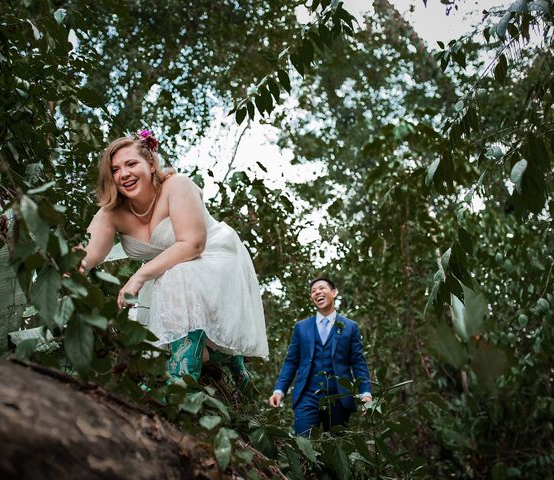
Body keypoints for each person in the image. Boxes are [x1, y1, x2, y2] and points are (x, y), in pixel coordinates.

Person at [81, 129, 268, 391]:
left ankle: (180, 382)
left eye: (131, 164)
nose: (123, 174)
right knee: (153, 330)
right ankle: (226, 358)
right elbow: (87, 254)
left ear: (151, 162)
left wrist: (139, 276)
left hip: (212, 254)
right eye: (115, 169)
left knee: (178, 276)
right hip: (166, 272)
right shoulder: (111, 213)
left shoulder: (176, 185)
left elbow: (193, 244)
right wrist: (67, 269)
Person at [268, 277, 372, 436]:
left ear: (334, 293)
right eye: (313, 291)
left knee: (337, 449)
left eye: (322, 288)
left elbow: (358, 362)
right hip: (307, 397)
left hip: (339, 398)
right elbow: (291, 362)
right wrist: (279, 391)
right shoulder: (301, 327)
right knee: (304, 446)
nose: (317, 292)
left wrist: (366, 393)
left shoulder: (350, 327)